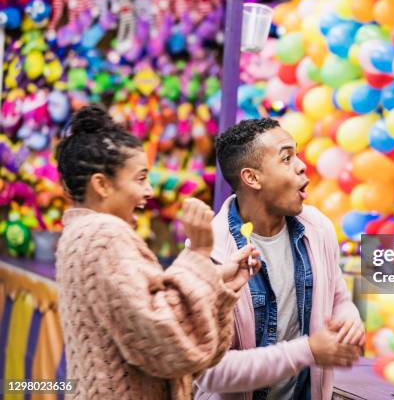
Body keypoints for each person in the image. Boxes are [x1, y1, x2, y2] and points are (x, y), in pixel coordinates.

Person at [54, 105, 261, 399]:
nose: (149, 191)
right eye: (140, 179)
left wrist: (219, 281)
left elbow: (149, 313)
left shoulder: (79, 234)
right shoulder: (102, 236)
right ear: (101, 184)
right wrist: (199, 253)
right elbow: (167, 342)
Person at [194, 118, 364, 400]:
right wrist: (308, 350)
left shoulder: (317, 228)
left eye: (296, 154)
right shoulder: (208, 253)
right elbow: (210, 371)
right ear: (252, 178)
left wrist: (349, 318)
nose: (301, 165)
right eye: (286, 158)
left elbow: (338, 297)